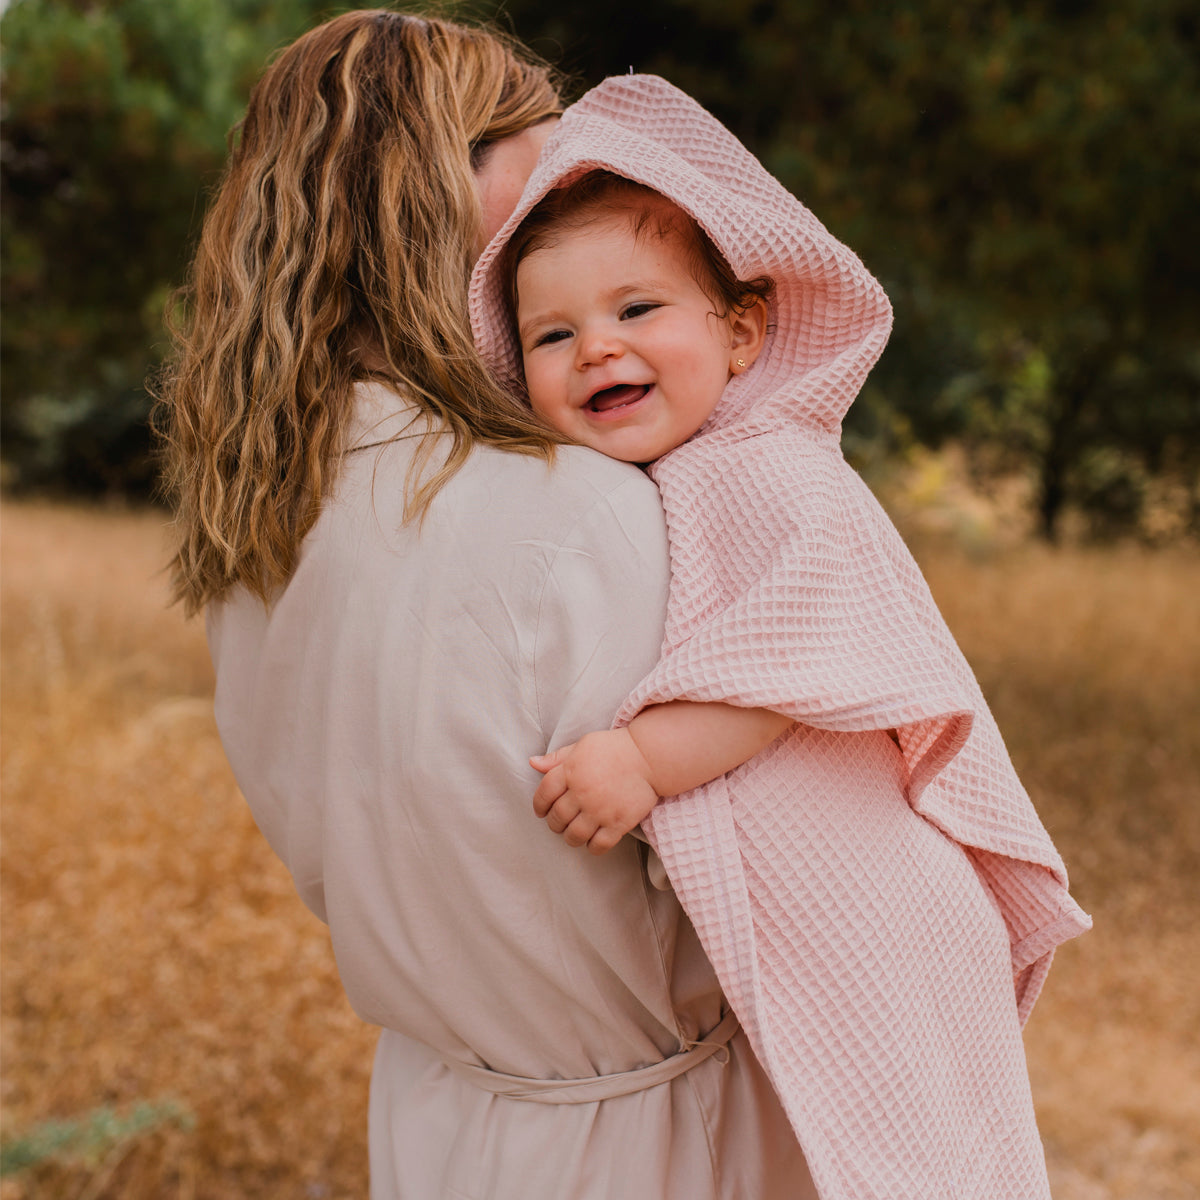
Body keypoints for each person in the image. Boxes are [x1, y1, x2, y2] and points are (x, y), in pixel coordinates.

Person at [154, 11, 815, 1200]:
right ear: (445, 188)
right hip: (651, 1138)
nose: (574, 173)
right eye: (540, 152)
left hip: (437, 1113)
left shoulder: (255, 521)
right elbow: (746, 883)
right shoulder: (584, 513)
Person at [470, 75, 1093, 1199]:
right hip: (831, 915)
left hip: (878, 903)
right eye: (552, 334)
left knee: (911, 1153)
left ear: (744, 329)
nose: (597, 349)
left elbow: (797, 660)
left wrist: (641, 759)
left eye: (637, 310)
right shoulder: (668, 482)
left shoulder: (770, 466)